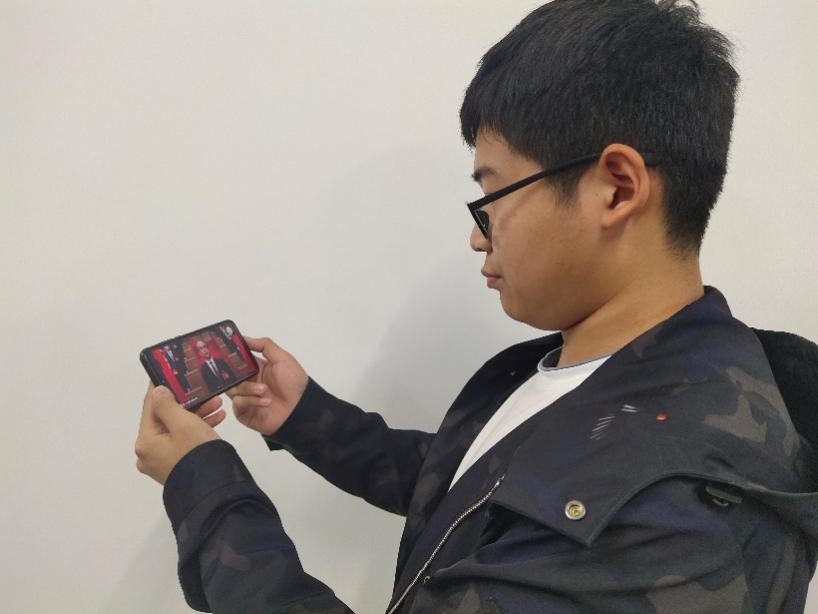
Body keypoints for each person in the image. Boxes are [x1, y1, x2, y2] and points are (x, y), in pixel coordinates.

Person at [134, 1, 818, 612]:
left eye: (491, 197)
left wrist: (204, 486)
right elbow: (472, 486)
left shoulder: (678, 516)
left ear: (615, 189)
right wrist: (304, 416)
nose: (476, 236)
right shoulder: (589, 368)